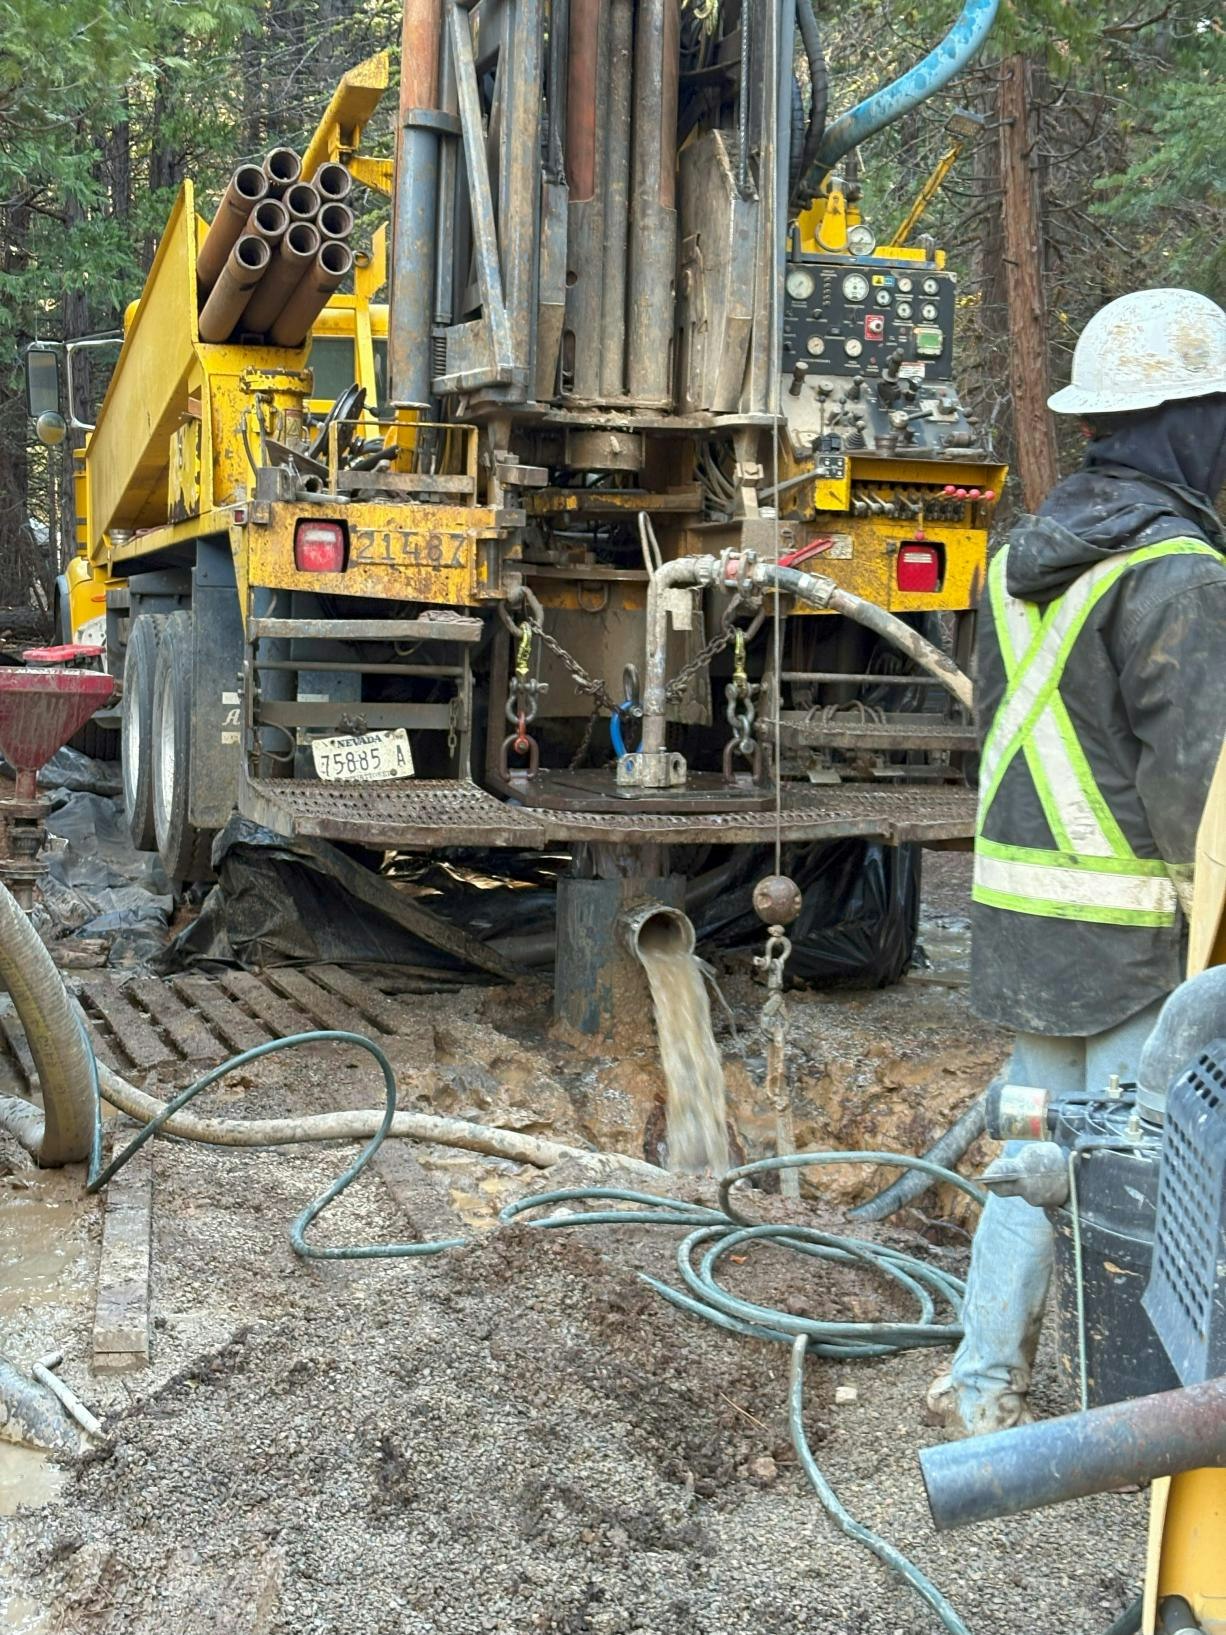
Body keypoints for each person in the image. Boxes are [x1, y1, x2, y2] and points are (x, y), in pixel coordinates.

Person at [927, 287, 1226, 1435]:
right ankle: (1138, 1429)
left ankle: (979, 1385)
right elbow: (1200, 795)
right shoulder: (1179, 577)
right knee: (1136, 1179)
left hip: (1021, 923)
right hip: (1133, 938)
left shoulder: (1014, 561)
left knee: (1030, 1150)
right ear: (1181, 420)